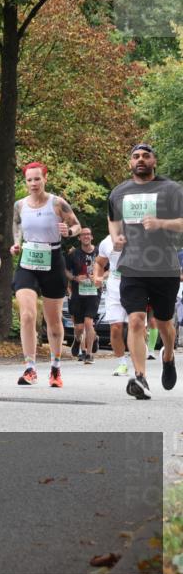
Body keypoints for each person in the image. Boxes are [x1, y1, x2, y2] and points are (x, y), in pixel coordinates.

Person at [107, 143, 182, 399]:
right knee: (136, 320)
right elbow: (113, 219)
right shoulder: (119, 192)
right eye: (136, 156)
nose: (140, 159)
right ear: (130, 163)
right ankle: (140, 377)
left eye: (146, 156)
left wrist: (161, 223)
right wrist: (116, 237)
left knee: (164, 323)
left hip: (165, 268)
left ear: (154, 161)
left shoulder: (171, 189)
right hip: (132, 266)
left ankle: (168, 355)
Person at [11, 162, 82, 388]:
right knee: (27, 315)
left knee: (53, 321)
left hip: (52, 260)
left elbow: (77, 226)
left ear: (45, 179)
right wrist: (16, 243)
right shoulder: (20, 205)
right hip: (28, 261)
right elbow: (17, 225)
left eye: (37, 179)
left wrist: (68, 231)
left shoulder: (57, 203)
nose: (33, 183)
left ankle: (55, 367)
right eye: (29, 180)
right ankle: (30, 368)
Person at [94, 234, 130, 376]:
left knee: (136, 326)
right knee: (115, 328)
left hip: (136, 286)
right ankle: (122, 363)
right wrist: (97, 276)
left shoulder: (140, 235)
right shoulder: (106, 242)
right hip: (114, 287)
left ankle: (139, 359)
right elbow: (99, 263)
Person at [65, 227, 101, 364]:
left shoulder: (99, 253)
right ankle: (78, 339)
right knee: (79, 328)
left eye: (88, 234)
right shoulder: (73, 254)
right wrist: (75, 278)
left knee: (88, 322)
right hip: (78, 293)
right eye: (83, 234)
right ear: (79, 238)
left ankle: (89, 354)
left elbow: (108, 270)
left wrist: (98, 277)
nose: (86, 236)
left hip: (94, 292)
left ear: (92, 237)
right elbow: (65, 270)